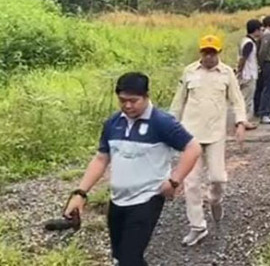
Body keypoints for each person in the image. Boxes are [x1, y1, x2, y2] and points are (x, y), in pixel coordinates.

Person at [63, 73, 202, 265]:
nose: (127, 106)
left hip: (147, 198)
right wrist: (80, 193)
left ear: (146, 96)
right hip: (118, 200)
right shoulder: (113, 123)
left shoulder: (162, 122)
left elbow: (193, 148)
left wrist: (174, 180)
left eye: (133, 101)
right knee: (121, 258)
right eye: (122, 100)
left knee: (129, 259)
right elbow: (101, 159)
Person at [170, 35, 247, 247]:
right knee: (191, 182)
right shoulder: (189, 72)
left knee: (218, 177)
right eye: (206, 52)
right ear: (200, 53)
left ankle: (215, 200)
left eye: (213, 52)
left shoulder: (226, 73)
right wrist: (169, 128)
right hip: (190, 135)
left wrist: (240, 123)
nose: (209, 56)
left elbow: (237, 100)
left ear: (219, 53)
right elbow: (178, 102)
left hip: (215, 135)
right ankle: (197, 227)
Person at [237, 19, 262, 129]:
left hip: (246, 73)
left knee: (243, 98)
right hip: (248, 74)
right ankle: (244, 121)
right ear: (255, 30)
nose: (261, 32)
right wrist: (240, 70)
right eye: (260, 30)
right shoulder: (249, 43)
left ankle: (241, 120)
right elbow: (243, 59)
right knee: (246, 99)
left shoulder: (244, 40)